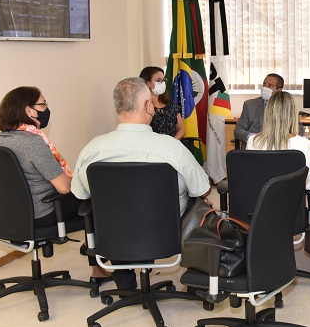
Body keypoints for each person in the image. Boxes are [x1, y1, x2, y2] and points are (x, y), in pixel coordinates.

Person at [72, 77, 211, 290]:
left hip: (113, 232)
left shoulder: (92, 148)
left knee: (113, 209)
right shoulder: (171, 148)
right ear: (149, 106)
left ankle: (124, 281)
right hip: (165, 232)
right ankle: (198, 282)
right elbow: (201, 188)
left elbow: (80, 195)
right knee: (202, 201)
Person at [0, 86, 107, 281]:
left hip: (16, 214)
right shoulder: (32, 142)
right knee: (100, 201)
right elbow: (63, 187)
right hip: (45, 211)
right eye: (43, 104)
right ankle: (98, 266)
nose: (47, 108)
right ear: (29, 110)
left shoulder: (3, 139)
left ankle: (92, 246)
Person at [247, 90, 310, 191]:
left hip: (259, 203)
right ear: (293, 115)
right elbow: (309, 185)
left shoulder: (253, 141)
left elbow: (250, 178)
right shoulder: (304, 144)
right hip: (291, 205)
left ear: (268, 112)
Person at [235, 73, 306, 143]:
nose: (265, 88)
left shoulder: (288, 106)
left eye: (270, 86)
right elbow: (238, 131)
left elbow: (299, 130)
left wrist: (283, 136)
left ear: (279, 90)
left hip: (280, 148)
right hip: (255, 149)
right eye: (264, 84)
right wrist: (254, 138)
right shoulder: (249, 105)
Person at [139, 66, 184, 139]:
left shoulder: (171, 104)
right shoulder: (142, 106)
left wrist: (173, 142)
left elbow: (181, 128)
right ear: (148, 83)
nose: (163, 83)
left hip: (172, 146)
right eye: (159, 81)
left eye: (164, 81)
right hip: (153, 147)